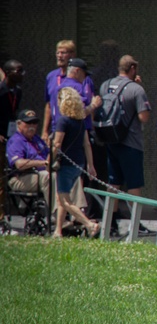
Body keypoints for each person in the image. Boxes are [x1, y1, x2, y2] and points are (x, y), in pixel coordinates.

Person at [100, 55, 152, 237]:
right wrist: (140, 89)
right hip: (131, 143)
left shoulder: (105, 85)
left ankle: (110, 223)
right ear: (132, 68)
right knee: (134, 184)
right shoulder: (136, 89)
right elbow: (144, 117)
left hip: (111, 140)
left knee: (113, 183)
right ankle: (135, 223)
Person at [51, 87, 98, 238]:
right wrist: (91, 166)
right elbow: (87, 144)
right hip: (79, 165)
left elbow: (57, 145)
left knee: (65, 201)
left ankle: (90, 224)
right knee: (61, 198)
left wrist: (48, 160)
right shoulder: (80, 122)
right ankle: (58, 231)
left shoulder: (62, 121)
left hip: (65, 165)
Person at [42, 40, 98, 140]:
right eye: (57, 53)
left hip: (78, 130)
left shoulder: (83, 79)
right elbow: (49, 105)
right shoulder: (51, 77)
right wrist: (45, 131)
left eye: (63, 53)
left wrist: (92, 129)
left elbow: (88, 103)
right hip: (57, 128)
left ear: (72, 55)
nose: (59, 56)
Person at [6, 109, 51, 199]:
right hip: (20, 178)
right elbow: (20, 164)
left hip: (41, 174)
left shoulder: (37, 139)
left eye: (34, 123)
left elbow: (49, 155)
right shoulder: (16, 140)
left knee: (67, 175)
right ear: (18, 124)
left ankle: (76, 210)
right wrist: (43, 163)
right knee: (47, 177)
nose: (32, 126)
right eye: (28, 123)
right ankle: (55, 212)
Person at [0, 59, 25, 223]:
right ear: (8, 73)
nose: (22, 74)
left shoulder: (17, 91)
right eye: (18, 71)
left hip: (11, 137)